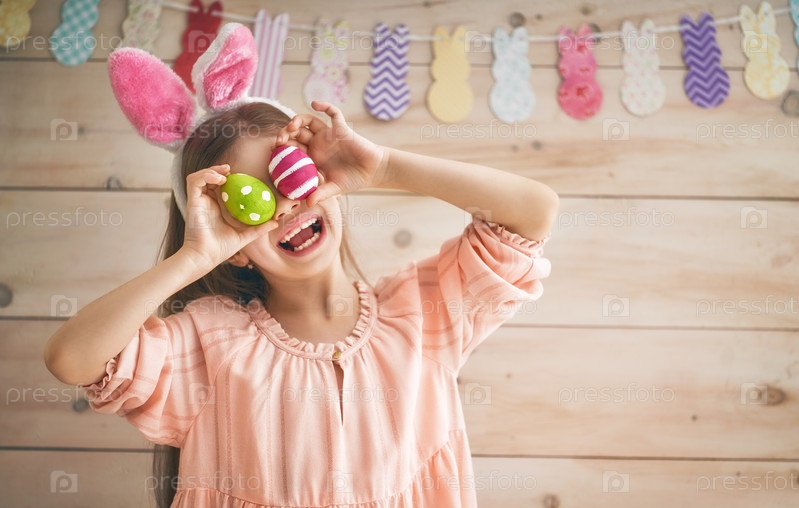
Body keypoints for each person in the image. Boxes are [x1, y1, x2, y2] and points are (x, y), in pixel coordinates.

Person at [44, 23, 558, 508]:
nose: (287, 206)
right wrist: (195, 256)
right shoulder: (209, 346)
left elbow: (533, 212)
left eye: (289, 174)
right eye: (252, 201)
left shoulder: (421, 313)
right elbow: (72, 359)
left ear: (328, 177)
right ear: (232, 244)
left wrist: (383, 167)